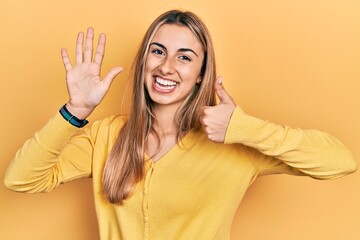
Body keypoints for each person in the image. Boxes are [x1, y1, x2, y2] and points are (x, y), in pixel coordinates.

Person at [4, 9, 357, 240]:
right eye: (157, 51)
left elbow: (340, 161)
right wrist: (75, 109)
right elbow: (21, 179)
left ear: (202, 73)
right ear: (144, 60)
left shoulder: (235, 144)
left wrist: (244, 128)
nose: (166, 67)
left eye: (184, 57)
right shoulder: (107, 136)